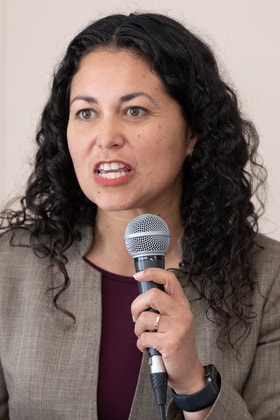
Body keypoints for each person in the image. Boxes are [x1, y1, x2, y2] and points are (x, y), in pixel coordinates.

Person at [0, 11, 279, 420]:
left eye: (134, 111)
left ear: (193, 133)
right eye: (86, 112)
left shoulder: (269, 277)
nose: (106, 137)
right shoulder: (9, 265)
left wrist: (195, 387)